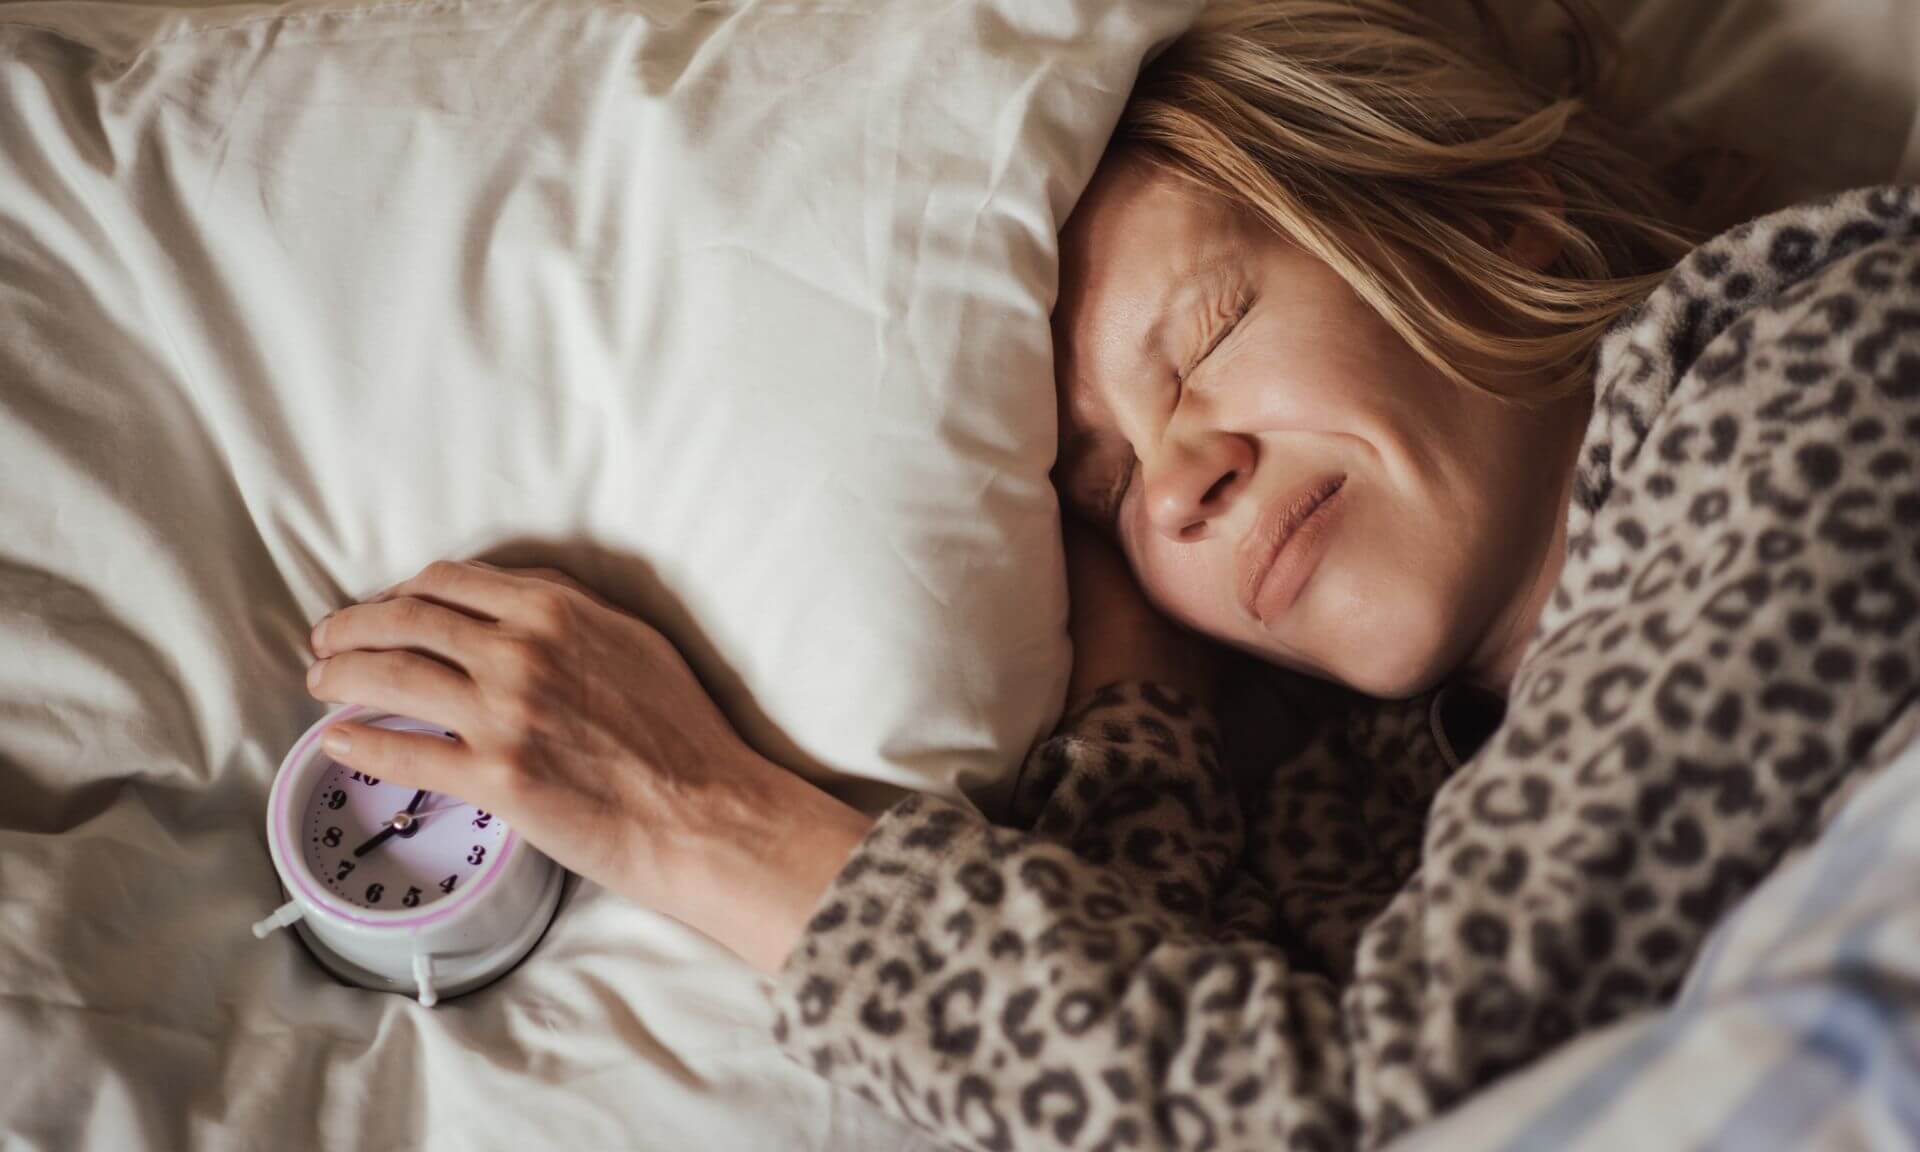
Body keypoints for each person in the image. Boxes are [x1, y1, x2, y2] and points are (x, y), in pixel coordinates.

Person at [297, 1, 1920, 1147]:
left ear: (1500, 221)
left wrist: (694, 812)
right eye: (1111, 482)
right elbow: (1141, 1028)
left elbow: (1396, 1108)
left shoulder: (1831, 343)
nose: (1188, 475)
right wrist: (1144, 679)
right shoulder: (1377, 801)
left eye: (1208, 335)